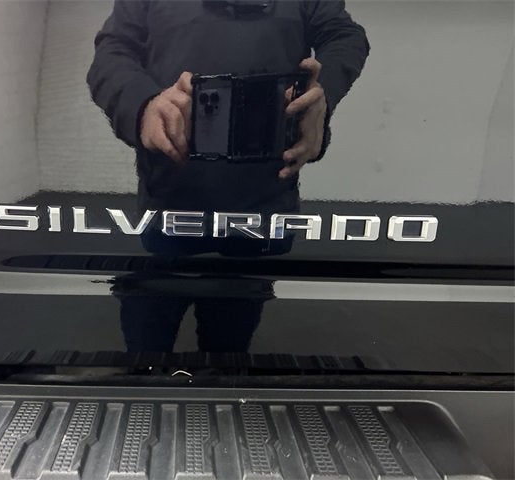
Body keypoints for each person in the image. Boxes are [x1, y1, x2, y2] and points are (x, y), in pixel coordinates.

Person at [87, 0, 369, 355]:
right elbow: (112, 52)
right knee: (147, 347)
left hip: (261, 209)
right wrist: (143, 106)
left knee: (229, 350)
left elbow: (345, 37)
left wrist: (321, 94)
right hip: (169, 201)